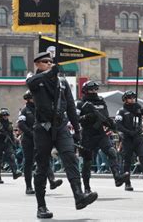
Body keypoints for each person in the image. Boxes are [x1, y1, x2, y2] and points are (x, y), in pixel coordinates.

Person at [26, 52, 97, 219]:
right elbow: (30, 82)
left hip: (61, 127)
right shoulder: (35, 80)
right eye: (45, 62)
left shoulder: (62, 82)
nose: (49, 64)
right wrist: (49, 73)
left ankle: (79, 196)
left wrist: (77, 130)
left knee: (70, 158)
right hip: (43, 128)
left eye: (51, 62)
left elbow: (71, 107)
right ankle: (41, 206)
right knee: (42, 166)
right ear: (37, 64)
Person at [77, 80, 130, 193]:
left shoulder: (101, 101)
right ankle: (86, 188)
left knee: (112, 152)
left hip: (100, 133)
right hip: (87, 135)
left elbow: (105, 117)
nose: (94, 92)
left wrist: (111, 125)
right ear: (85, 91)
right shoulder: (80, 104)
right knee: (87, 161)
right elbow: (75, 119)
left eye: (96, 89)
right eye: (91, 89)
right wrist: (87, 117)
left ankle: (117, 177)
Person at [17, 90, 62, 195]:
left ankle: (52, 181)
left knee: (44, 160)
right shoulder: (24, 110)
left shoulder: (40, 109)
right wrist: (32, 133)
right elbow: (21, 124)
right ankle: (28, 186)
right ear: (28, 98)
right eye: (33, 97)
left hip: (40, 139)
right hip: (28, 140)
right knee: (28, 162)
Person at [115, 90, 143, 191]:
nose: (132, 99)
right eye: (130, 98)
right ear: (125, 99)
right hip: (127, 139)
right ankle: (127, 183)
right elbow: (118, 126)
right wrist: (129, 132)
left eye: (133, 97)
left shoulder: (138, 108)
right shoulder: (121, 111)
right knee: (127, 161)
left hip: (138, 138)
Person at [0, 108, 22, 184]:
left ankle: (15, 172)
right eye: (4, 115)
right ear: (0, 116)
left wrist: (14, 143)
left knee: (11, 156)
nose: (5, 117)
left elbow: (11, 135)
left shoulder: (10, 124)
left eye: (6, 115)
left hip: (7, 144)